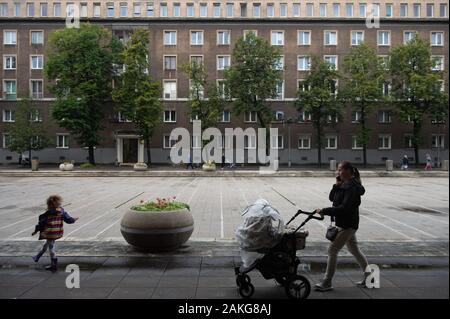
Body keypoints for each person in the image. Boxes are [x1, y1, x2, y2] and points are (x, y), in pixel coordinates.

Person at [313, 161, 369, 292]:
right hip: (346, 223)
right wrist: (336, 185)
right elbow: (332, 198)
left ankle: (327, 282)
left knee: (332, 250)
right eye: (338, 170)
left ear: (349, 171)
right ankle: (370, 277)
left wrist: (324, 211)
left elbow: (344, 208)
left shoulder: (351, 187)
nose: (338, 172)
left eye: (340, 170)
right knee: (355, 250)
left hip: (348, 224)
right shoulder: (344, 184)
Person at [31, 195, 78, 272]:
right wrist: (74, 219)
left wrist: (36, 231)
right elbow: (69, 220)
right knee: (47, 245)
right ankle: (37, 257)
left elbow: (41, 223)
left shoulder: (47, 213)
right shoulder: (62, 211)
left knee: (51, 249)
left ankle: (54, 265)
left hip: (49, 233)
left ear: (49, 205)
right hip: (57, 232)